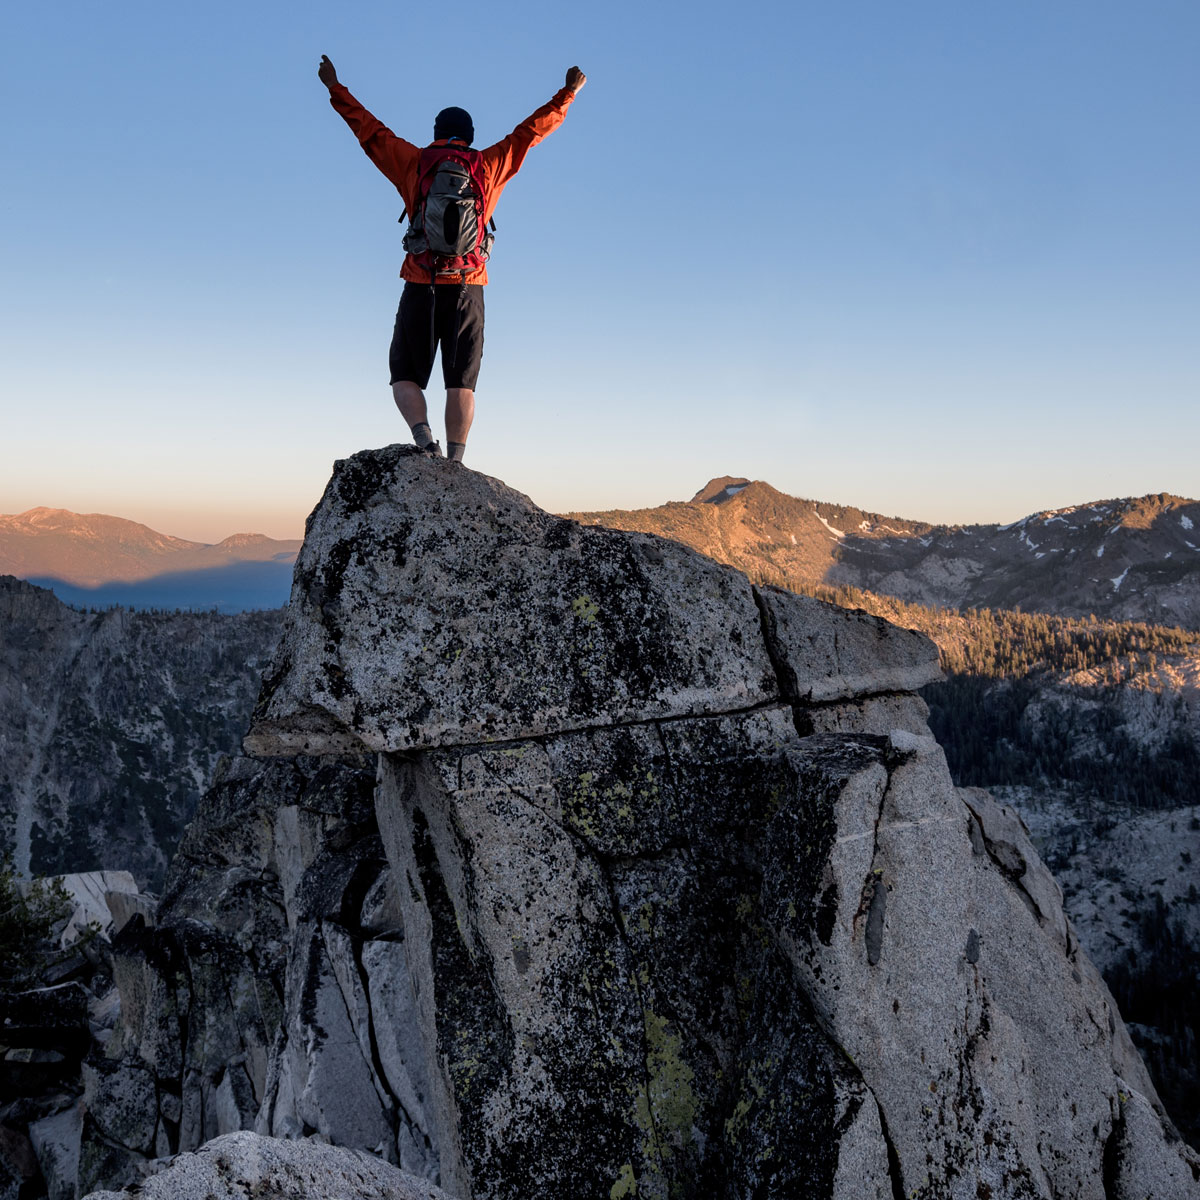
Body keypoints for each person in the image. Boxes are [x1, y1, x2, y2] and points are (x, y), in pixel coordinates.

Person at [318, 55, 586, 463]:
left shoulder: (413, 161)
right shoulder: (488, 165)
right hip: (468, 285)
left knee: (405, 375)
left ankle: (426, 444)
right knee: (461, 382)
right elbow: (530, 133)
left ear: (437, 134)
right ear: (470, 136)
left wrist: (336, 88)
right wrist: (567, 95)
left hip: (420, 281)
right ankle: (456, 462)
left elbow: (369, 132)